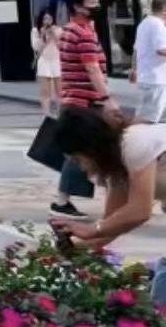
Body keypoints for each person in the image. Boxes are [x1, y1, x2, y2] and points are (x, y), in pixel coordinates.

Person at [52, 107, 166, 304]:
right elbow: (112, 225)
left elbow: (140, 211)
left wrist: (91, 230)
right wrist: (73, 246)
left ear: (91, 148)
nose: (80, 167)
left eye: (78, 158)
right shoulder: (117, 169)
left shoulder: (133, 142)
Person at [53, 0, 115, 218]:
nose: (97, 6)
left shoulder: (69, 30)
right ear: (77, 6)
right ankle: (63, 201)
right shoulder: (84, 34)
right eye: (92, 2)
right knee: (85, 150)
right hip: (85, 102)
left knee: (92, 149)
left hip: (74, 99)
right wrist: (107, 99)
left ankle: (114, 193)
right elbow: (92, 69)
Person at [131, 0, 166, 123]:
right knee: (146, 120)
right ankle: (127, 141)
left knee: (147, 117)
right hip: (155, 80)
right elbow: (161, 49)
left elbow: (136, 49)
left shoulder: (144, 23)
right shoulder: (158, 25)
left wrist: (134, 69)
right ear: (164, 10)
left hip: (148, 78)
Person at [31, 9, 62, 116]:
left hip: (57, 61)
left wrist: (54, 36)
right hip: (44, 62)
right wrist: (43, 37)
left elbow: (62, 47)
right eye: (45, 18)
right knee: (45, 91)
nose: (47, 21)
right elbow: (36, 47)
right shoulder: (36, 31)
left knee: (60, 90)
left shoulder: (58, 30)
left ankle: (60, 113)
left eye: (49, 18)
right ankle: (46, 114)